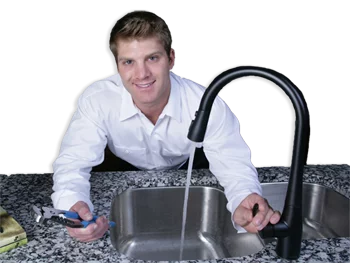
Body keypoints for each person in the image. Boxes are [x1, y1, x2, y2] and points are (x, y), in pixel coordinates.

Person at [51, 10, 281, 242]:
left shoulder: (205, 103)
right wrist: (73, 206)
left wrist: (244, 197)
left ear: (171, 59)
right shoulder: (97, 99)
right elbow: (72, 164)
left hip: (188, 169)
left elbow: (233, 163)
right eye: (129, 62)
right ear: (117, 66)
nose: (142, 74)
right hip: (123, 172)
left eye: (152, 58)